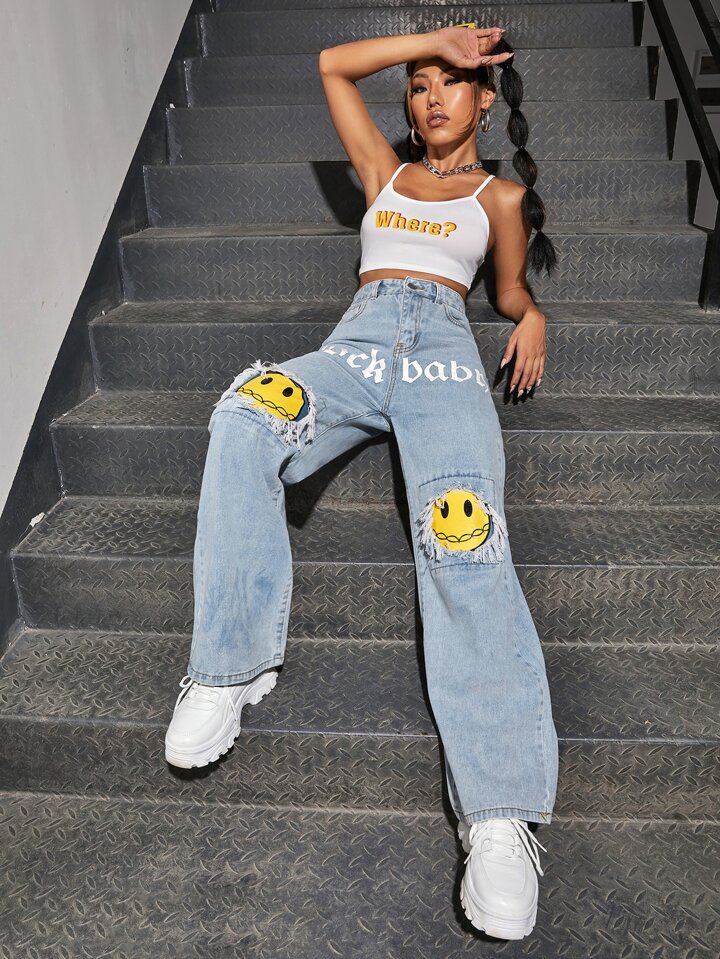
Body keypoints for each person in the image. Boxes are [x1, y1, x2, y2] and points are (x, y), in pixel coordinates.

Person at [164, 22, 560, 942]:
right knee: (247, 411)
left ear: (485, 102)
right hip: (357, 344)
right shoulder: (384, 172)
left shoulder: (500, 196)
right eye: (420, 84)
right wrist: (436, 39)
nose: (433, 96)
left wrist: (531, 314)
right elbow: (331, 66)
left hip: (443, 355)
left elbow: (505, 292)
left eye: (451, 83)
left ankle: (499, 814)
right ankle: (228, 669)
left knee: (465, 537)